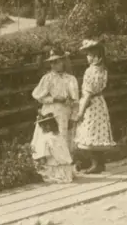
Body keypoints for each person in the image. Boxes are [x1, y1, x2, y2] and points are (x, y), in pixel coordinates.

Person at [30, 50, 79, 183]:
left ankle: (65, 171)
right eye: (52, 63)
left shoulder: (70, 79)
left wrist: (74, 116)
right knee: (50, 140)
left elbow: (76, 101)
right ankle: (50, 171)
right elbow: (37, 95)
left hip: (64, 113)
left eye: (57, 62)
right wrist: (53, 99)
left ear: (63, 61)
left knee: (63, 139)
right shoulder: (48, 78)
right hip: (50, 114)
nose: (54, 65)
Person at [73, 39, 114, 174]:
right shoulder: (103, 70)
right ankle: (98, 163)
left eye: (89, 55)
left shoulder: (90, 71)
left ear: (97, 56)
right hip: (100, 103)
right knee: (98, 133)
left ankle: (95, 164)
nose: (87, 57)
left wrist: (80, 112)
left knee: (90, 132)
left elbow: (88, 93)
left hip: (91, 104)